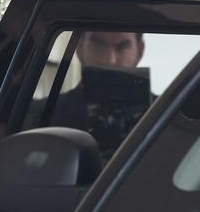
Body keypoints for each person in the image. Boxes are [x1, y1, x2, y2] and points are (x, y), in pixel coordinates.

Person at [46, 30, 150, 158]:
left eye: (122, 47)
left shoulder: (166, 114)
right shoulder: (44, 112)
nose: (110, 59)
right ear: (79, 48)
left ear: (139, 51)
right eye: (98, 45)